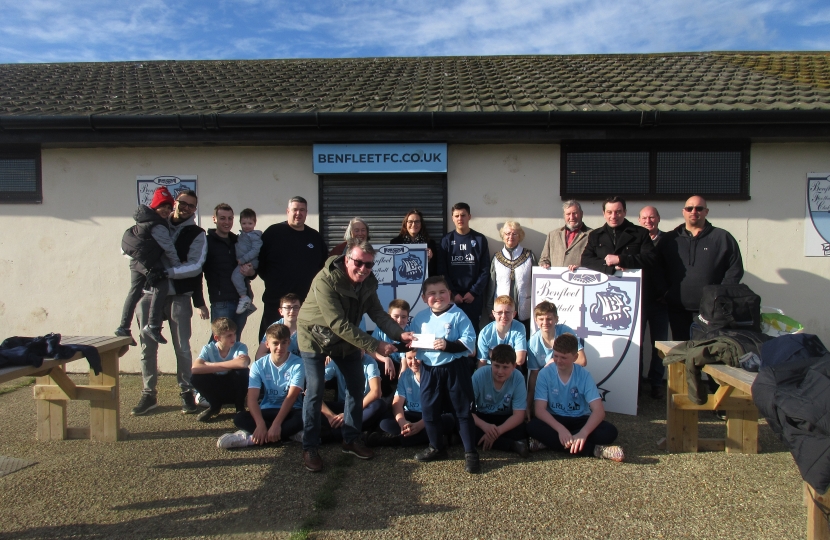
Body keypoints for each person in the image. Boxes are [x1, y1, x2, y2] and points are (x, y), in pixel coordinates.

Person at [297, 239, 413, 473]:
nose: (363, 268)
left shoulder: (368, 281)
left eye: (368, 264)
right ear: (347, 259)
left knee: (356, 384)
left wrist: (400, 335)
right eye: (358, 262)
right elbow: (336, 323)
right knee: (316, 388)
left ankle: (350, 439)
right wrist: (374, 345)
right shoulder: (325, 280)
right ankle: (310, 446)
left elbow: (379, 314)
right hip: (314, 336)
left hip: (345, 338)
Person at [132, 189, 208, 416]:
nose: (186, 208)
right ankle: (148, 394)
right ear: (175, 202)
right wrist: (148, 267)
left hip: (179, 296)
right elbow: (129, 248)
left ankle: (186, 391)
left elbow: (195, 266)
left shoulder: (197, 233)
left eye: (191, 206)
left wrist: (166, 272)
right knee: (147, 347)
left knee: (182, 348)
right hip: (148, 294)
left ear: (195, 210)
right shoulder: (152, 223)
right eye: (183, 203)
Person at [410, 275, 480, 474]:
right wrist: (407, 345)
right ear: (424, 298)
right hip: (429, 370)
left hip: (454, 368)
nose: (438, 297)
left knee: (462, 411)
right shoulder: (421, 319)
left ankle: (471, 452)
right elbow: (414, 343)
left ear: (450, 294)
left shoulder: (459, 315)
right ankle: (436, 447)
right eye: (432, 294)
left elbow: (469, 343)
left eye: (442, 292)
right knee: (429, 410)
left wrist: (448, 345)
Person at [657, 195, 744, 341]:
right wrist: (666, 292)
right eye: (689, 208)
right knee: (682, 352)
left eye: (699, 208)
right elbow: (657, 268)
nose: (694, 211)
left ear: (706, 212)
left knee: (707, 353)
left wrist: (720, 295)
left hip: (711, 312)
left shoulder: (722, 237)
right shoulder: (670, 239)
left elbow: (734, 268)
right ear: (683, 211)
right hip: (678, 309)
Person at [526, 334, 624, 462]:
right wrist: (560, 429)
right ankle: (596, 450)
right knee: (531, 427)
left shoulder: (584, 375)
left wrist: (583, 433)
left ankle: (548, 443)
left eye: (564, 357)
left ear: (575, 357)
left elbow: (599, 411)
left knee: (610, 431)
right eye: (555, 356)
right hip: (556, 419)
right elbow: (539, 410)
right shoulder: (545, 373)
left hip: (579, 419)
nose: (558, 360)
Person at [216, 323, 304, 449]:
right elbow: (251, 399)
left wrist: (276, 424)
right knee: (240, 418)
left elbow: (291, 397)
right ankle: (290, 434)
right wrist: (260, 424)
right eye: (275, 343)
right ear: (267, 344)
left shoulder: (298, 363)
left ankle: (251, 439)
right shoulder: (258, 365)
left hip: (292, 410)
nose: (280, 347)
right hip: (268, 409)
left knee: (304, 417)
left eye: (284, 342)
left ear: (289, 343)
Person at [116, 186, 183, 345]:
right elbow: (168, 247)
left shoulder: (143, 219)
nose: (166, 210)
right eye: (163, 206)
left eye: (169, 207)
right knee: (162, 285)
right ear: (155, 206)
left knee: (134, 291)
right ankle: (153, 325)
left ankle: (123, 327)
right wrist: (177, 266)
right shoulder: (157, 224)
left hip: (136, 262)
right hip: (147, 261)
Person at [258, 196, 328, 339]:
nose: (298, 213)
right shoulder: (273, 233)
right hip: (275, 303)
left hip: (306, 305)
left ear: (306, 212)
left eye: (302, 210)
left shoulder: (315, 237)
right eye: (295, 209)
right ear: (288, 211)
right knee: (270, 343)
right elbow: (260, 264)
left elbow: (323, 268)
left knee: (305, 347)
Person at [367, 350, 457, 448]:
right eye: (409, 358)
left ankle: (395, 440)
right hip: (411, 414)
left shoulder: (435, 374)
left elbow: (439, 407)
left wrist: (420, 425)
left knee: (448, 420)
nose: (413, 362)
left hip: (431, 416)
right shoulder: (405, 375)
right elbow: (397, 403)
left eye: (417, 358)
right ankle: (431, 436)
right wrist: (402, 422)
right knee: (384, 422)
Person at [203, 203, 255, 342]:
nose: (227, 222)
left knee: (234, 341)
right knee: (219, 341)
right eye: (222, 218)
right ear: (214, 219)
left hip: (242, 301)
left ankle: (231, 365)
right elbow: (198, 272)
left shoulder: (238, 241)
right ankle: (203, 364)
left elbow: (252, 267)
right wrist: (199, 303)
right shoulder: (207, 242)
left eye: (230, 218)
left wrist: (251, 272)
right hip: (221, 302)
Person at [526, 301, 586, 419]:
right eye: (541, 319)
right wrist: (527, 405)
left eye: (549, 319)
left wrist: (554, 362)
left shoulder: (566, 332)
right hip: (548, 382)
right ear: (536, 320)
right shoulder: (532, 343)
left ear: (556, 319)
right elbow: (534, 375)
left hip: (568, 377)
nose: (545, 322)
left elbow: (582, 360)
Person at [437, 202, 490, 333]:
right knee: (451, 331)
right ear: (452, 218)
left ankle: (473, 354)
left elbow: (485, 270)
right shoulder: (446, 240)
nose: (460, 218)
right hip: (452, 297)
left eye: (463, 215)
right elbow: (442, 270)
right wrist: (453, 293)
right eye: (457, 216)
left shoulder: (479, 239)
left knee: (472, 332)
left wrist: (473, 292)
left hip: (473, 298)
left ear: (469, 216)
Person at [471, 344, 529, 457]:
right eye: (496, 366)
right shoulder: (479, 375)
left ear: (514, 366)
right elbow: (466, 410)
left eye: (505, 367)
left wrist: (497, 431)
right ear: (491, 363)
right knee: (464, 426)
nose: (500, 371)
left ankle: (492, 441)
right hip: (483, 416)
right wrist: (485, 427)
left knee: (525, 429)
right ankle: (511, 445)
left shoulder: (518, 378)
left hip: (506, 419)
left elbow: (519, 415)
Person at [191, 317, 250, 422]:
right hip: (216, 385)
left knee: (243, 372)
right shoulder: (208, 349)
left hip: (233, 385)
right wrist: (232, 364)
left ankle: (239, 406)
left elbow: (243, 363)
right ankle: (214, 405)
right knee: (196, 378)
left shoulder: (240, 346)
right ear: (217, 338)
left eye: (234, 334)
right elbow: (195, 369)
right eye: (229, 335)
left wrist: (209, 365)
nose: (233, 338)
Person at [580, 196, 655, 275]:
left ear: (624, 212)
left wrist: (621, 259)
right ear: (604, 213)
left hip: (632, 284)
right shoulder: (595, 235)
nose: (613, 216)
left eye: (618, 212)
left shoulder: (640, 233)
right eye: (609, 212)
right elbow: (586, 260)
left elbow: (650, 258)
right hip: (604, 284)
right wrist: (610, 266)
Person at [638, 205, 669, 399]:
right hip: (638, 301)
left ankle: (657, 383)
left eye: (652, 217)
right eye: (644, 218)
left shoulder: (668, 241)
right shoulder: (635, 241)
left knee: (660, 346)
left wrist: (668, 293)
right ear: (640, 220)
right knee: (637, 345)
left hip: (660, 302)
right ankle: (638, 383)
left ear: (658, 218)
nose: (648, 221)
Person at [486, 221, 536, 333]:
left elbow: (537, 285)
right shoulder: (497, 258)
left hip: (524, 309)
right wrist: (490, 308)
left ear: (520, 236)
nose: (510, 237)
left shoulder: (529, 256)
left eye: (514, 234)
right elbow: (491, 285)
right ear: (503, 236)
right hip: (501, 311)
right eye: (507, 234)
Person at [319, 353, 386, 438]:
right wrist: (330, 415)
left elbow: (376, 392)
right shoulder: (337, 361)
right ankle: (353, 429)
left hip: (362, 406)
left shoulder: (370, 362)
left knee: (379, 404)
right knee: (312, 405)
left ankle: (334, 434)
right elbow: (312, 391)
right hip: (343, 405)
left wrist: (349, 413)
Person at [367, 298, 411, 396]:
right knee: (378, 365)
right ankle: (382, 395)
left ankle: (398, 396)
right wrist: (385, 359)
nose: (400, 320)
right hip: (385, 364)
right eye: (396, 316)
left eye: (403, 317)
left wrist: (401, 384)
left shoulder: (409, 332)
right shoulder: (380, 330)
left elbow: (404, 362)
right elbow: (370, 350)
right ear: (388, 317)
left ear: (408, 318)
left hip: (401, 366)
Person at [477, 295, 527, 370]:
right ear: (493, 313)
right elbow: (482, 362)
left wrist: (493, 355)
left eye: (507, 312)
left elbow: (520, 360)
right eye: (499, 312)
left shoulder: (519, 328)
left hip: (511, 369)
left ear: (514, 314)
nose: (503, 316)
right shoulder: (485, 333)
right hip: (491, 369)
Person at [539, 200, 592, 271]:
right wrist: (544, 264)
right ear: (564, 216)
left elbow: (595, 261)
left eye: (575, 213)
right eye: (568, 214)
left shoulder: (592, 235)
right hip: (557, 280)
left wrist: (581, 268)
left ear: (581, 214)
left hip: (579, 279)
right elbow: (544, 259)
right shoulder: (552, 235)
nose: (572, 217)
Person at [390, 209, 438, 277]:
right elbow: (391, 268)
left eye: (417, 221)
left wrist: (430, 259)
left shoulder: (430, 243)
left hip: (424, 284)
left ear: (421, 224)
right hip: (401, 283)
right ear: (405, 224)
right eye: (410, 222)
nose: (414, 224)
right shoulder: (395, 243)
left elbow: (434, 271)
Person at [233, 208, 262, 314]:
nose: (247, 226)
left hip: (249, 262)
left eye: (250, 223)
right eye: (244, 223)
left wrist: (243, 260)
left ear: (255, 223)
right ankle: (248, 303)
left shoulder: (254, 236)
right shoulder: (240, 235)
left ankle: (244, 297)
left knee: (236, 276)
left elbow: (256, 250)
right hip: (243, 261)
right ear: (240, 223)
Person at [254, 293, 302, 359]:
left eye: (296, 307)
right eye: (287, 307)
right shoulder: (274, 328)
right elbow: (259, 355)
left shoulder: (307, 327)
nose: (292, 311)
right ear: (281, 311)